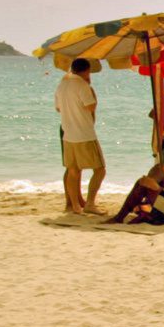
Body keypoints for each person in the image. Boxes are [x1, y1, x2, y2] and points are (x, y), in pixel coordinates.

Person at [55, 57, 104, 215]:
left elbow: (58, 108)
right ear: (87, 71)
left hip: (68, 134)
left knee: (73, 170)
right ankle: (90, 203)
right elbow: (91, 106)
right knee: (100, 170)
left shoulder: (62, 85)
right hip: (84, 134)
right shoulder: (82, 85)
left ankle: (75, 205)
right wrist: (91, 90)